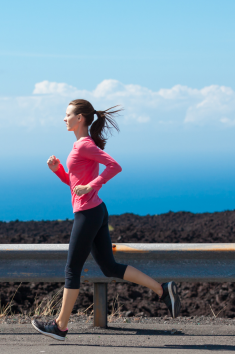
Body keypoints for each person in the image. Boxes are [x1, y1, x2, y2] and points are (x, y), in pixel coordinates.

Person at [31, 99, 181, 341]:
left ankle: (60, 326)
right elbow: (74, 184)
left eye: (68, 114)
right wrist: (59, 170)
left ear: (80, 118)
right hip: (96, 211)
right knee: (109, 267)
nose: (64, 118)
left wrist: (92, 184)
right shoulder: (80, 145)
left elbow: (114, 166)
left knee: (72, 269)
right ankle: (161, 289)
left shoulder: (84, 146)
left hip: (88, 214)